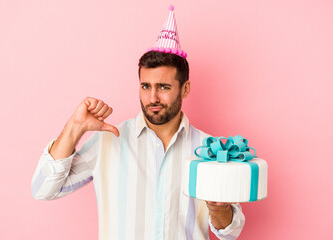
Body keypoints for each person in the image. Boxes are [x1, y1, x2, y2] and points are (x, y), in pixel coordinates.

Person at [31, 5, 245, 240]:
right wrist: (75, 127)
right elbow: (43, 190)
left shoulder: (209, 149)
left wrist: (219, 208)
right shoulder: (109, 141)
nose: (153, 98)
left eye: (163, 87)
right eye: (146, 86)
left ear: (185, 89)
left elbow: (230, 232)